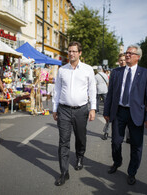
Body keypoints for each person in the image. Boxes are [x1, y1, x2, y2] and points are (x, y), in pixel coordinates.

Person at [103, 44, 147, 185]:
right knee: (116, 142)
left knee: (136, 145)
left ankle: (132, 172)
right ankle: (117, 162)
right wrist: (106, 111)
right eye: (126, 53)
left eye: (130, 53)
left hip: (136, 114)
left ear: (138, 57)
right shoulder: (116, 72)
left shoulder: (145, 73)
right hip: (119, 111)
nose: (127, 55)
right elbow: (110, 94)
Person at [52, 41, 96, 186]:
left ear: (80, 53)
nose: (71, 53)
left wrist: (93, 108)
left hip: (81, 109)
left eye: (74, 51)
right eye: (69, 51)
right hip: (63, 109)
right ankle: (64, 172)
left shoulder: (88, 69)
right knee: (63, 141)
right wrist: (54, 108)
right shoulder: (62, 70)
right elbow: (57, 89)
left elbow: (92, 90)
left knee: (80, 137)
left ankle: (79, 156)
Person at [118, 53, 130, 143]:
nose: (122, 62)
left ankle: (129, 136)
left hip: (131, 107)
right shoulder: (116, 72)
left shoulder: (132, 72)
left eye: (124, 60)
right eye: (121, 60)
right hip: (119, 107)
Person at [95, 66, 109, 140]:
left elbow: (95, 83)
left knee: (97, 100)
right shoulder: (105, 75)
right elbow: (107, 82)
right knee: (105, 101)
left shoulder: (96, 76)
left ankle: (97, 109)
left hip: (98, 89)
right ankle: (106, 109)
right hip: (105, 89)